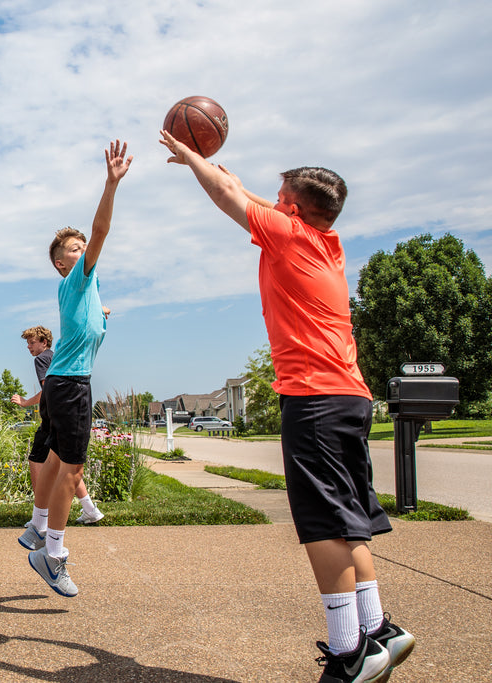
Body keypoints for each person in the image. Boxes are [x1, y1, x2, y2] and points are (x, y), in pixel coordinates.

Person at [160, 129, 414, 683]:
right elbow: (244, 193)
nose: (271, 204)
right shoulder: (326, 242)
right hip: (350, 396)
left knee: (322, 523)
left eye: (280, 199)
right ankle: (379, 632)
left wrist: (192, 157)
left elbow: (230, 199)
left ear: (294, 209)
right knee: (351, 520)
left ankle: (351, 652)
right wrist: (222, 172)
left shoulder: (287, 236)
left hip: (315, 399)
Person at [23, 140, 132, 598]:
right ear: (60, 262)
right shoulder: (76, 278)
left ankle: (36, 527)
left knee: (51, 458)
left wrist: (100, 316)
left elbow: (87, 325)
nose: (83, 247)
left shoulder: (88, 290)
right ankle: (53, 555)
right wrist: (110, 183)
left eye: (82, 245)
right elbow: (102, 229)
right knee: (71, 469)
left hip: (63, 386)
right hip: (69, 387)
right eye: (74, 246)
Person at [11, 325, 103, 530]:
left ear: (44, 342)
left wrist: (25, 402)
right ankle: (90, 509)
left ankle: (41, 518)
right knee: (66, 464)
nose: (29, 346)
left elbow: (47, 390)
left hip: (52, 418)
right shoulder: (56, 357)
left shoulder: (42, 359)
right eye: (27, 343)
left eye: (32, 342)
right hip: (65, 416)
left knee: (36, 461)